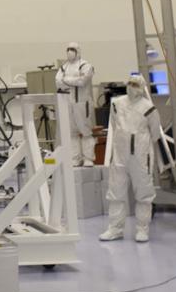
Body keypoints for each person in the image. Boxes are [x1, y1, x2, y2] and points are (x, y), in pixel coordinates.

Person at [99, 75, 163, 243]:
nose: (131, 87)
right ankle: (115, 229)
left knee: (143, 192)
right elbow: (114, 125)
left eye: (135, 84)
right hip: (120, 154)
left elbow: (155, 132)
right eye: (130, 83)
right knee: (116, 192)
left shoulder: (148, 108)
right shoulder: (117, 104)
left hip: (141, 156)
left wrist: (139, 142)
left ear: (141, 87)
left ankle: (142, 229)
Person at [55, 42, 96, 166]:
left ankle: (88, 158)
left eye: (72, 49)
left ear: (78, 51)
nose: (69, 52)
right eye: (68, 49)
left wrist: (66, 80)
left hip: (82, 103)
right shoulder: (63, 67)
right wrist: (72, 81)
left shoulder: (85, 65)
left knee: (86, 131)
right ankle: (75, 158)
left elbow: (82, 81)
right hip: (68, 103)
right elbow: (58, 82)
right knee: (71, 132)